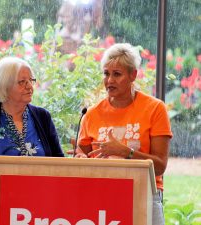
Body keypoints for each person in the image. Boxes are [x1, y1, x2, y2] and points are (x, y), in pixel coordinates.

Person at [74, 43, 173, 224]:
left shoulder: (155, 109)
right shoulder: (91, 114)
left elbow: (159, 166)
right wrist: (79, 159)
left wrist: (126, 152)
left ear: (133, 75)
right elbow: (82, 158)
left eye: (117, 74)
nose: (109, 80)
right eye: (106, 73)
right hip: (100, 197)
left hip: (144, 195)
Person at [0, 56, 64, 213]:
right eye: (22, 82)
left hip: (40, 204)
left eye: (31, 81)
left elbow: (58, 161)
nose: (29, 87)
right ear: (4, 86)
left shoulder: (43, 117)